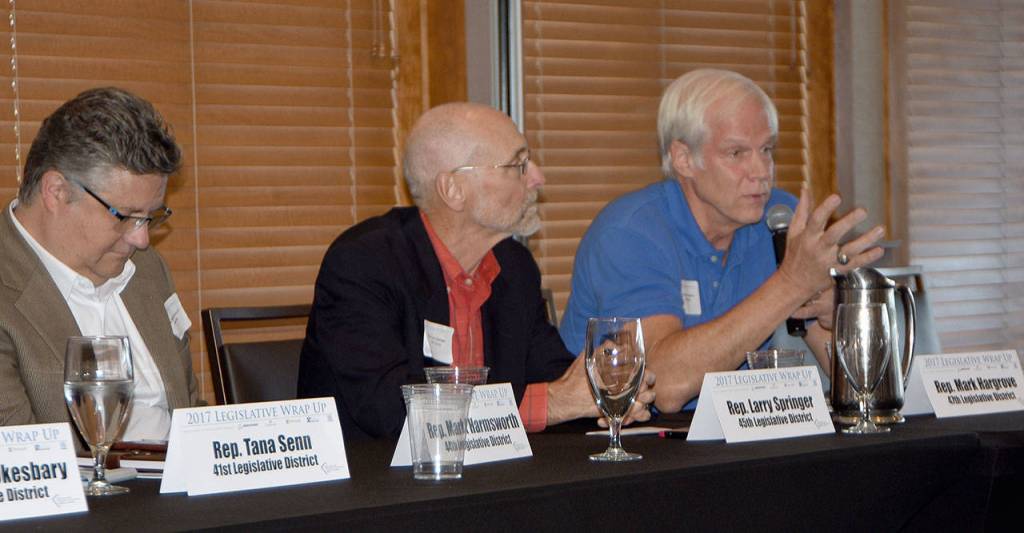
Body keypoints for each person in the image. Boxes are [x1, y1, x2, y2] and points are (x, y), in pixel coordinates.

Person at [298, 102, 655, 441]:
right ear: (453, 189)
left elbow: (554, 375)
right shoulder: (364, 263)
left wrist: (605, 392)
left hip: (488, 485)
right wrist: (556, 402)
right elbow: (390, 409)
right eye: (518, 165)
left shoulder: (514, 268)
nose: (537, 178)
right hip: (379, 492)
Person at [560, 69, 884, 412]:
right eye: (736, 154)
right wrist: (791, 284)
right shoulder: (630, 233)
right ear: (684, 159)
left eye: (767, 149)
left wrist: (838, 316)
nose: (761, 171)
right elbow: (664, 385)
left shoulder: (781, 219)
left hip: (745, 433)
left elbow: (860, 389)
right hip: (632, 447)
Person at [0, 87, 199, 441]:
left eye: (150, 217)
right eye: (126, 216)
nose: (142, 239)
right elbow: (20, 464)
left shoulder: (147, 270)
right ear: (57, 192)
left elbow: (190, 411)